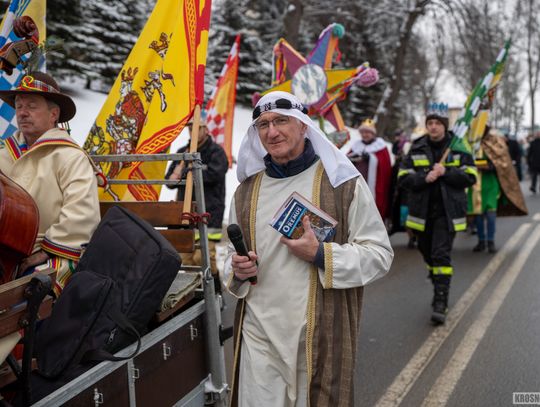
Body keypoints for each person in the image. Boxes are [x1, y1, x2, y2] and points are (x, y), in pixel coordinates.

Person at [223, 91, 393, 406]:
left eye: (281, 121)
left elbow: (380, 255)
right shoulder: (245, 193)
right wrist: (237, 268)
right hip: (259, 341)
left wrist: (321, 255)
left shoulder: (343, 185)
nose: (272, 132)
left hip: (317, 338)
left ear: (303, 125)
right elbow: (226, 255)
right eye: (263, 124)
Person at [0, 71, 101, 296]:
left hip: (52, 252)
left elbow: (82, 215)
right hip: (5, 249)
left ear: (53, 114)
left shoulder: (71, 157)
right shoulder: (3, 152)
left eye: (32, 106)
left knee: (27, 294)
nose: (22, 113)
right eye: (19, 106)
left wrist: (45, 251)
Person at [398, 102, 477, 325]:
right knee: (427, 253)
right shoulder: (416, 147)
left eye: (437, 123)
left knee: (441, 254)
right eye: (430, 123)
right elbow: (403, 177)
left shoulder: (458, 146)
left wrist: (446, 172)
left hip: (447, 212)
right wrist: (424, 177)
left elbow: (470, 176)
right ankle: (437, 279)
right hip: (421, 213)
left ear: (444, 125)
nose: (433, 127)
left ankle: (441, 301)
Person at [165, 111, 228, 282]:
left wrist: (189, 172)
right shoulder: (182, 153)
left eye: (196, 128)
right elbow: (169, 182)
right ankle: (196, 291)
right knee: (186, 259)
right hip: (186, 214)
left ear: (205, 129)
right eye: (190, 128)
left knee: (203, 258)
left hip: (209, 214)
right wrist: (178, 172)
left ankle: (214, 289)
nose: (192, 132)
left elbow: (214, 174)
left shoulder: (216, 152)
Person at [468, 128, 528, 253]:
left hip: (490, 184)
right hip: (475, 184)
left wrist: (489, 166)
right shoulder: (470, 142)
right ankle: (481, 241)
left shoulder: (495, 141)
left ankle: (490, 241)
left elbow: (502, 163)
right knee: (478, 214)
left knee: (491, 213)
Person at [347, 118, 392, 219]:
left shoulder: (381, 147)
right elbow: (346, 161)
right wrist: (351, 159)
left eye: (367, 132)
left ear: (373, 134)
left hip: (372, 187)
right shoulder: (356, 146)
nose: (365, 135)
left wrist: (371, 159)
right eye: (363, 132)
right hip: (356, 184)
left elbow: (385, 169)